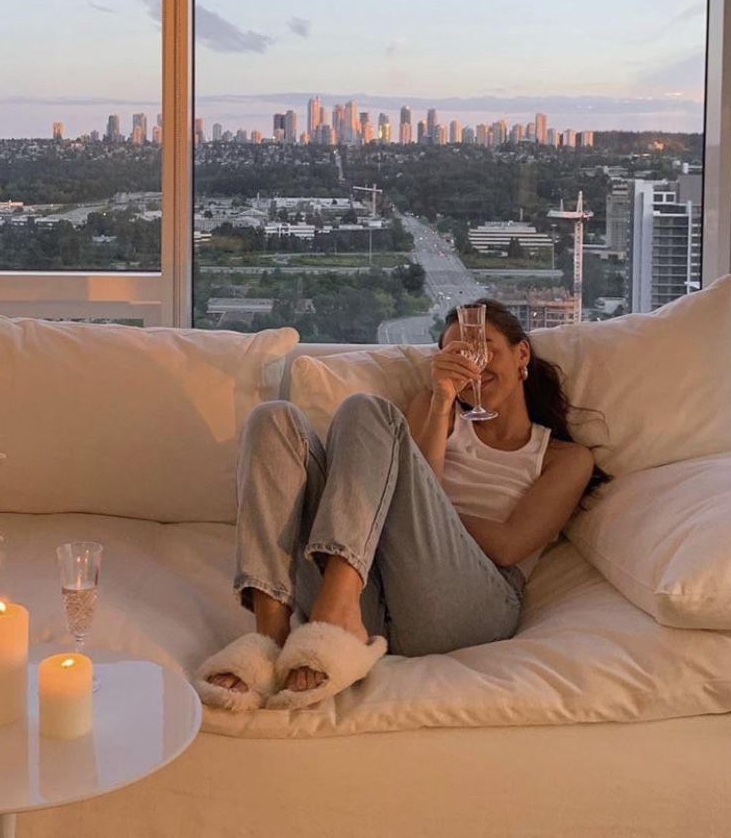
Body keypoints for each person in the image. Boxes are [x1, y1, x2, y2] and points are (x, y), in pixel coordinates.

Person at [194, 299, 605, 712]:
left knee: (367, 410)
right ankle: (272, 634)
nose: (472, 364)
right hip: (375, 590)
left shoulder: (565, 458)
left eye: (484, 349)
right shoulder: (434, 409)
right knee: (273, 418)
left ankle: (334, 611)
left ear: (522, 354)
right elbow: (417, 487)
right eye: (457, 353)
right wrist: (441, 402)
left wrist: (381, 501)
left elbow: (508, 545)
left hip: (470, 605)